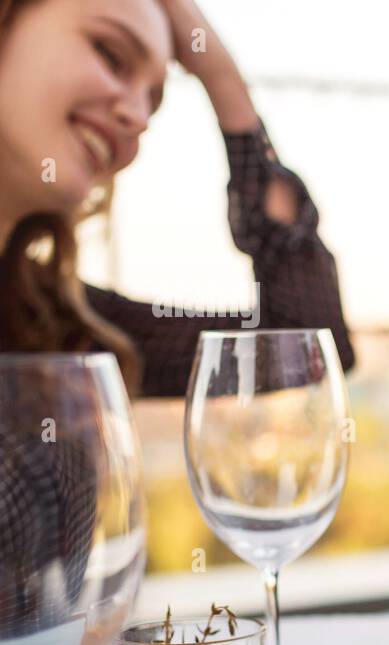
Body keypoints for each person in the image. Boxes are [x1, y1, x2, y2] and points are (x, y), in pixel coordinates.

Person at [0, 0, 354, 397]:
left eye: (153, 101)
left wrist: (222, 78)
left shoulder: (49, 320)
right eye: (110, 54)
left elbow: (302, 345)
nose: (138, 117)